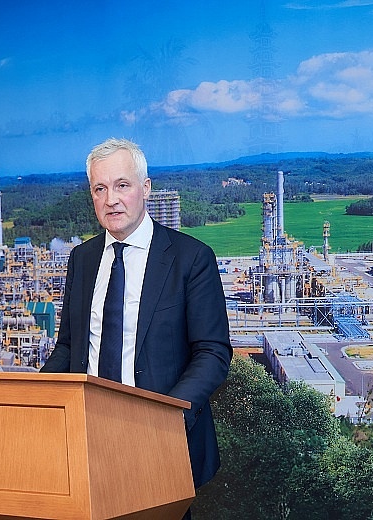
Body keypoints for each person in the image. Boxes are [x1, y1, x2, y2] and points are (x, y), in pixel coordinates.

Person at [40, 138, 232, 513]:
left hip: (162, 442)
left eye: (122, 185)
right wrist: (38, 397)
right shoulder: (81, 258)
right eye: (100, 189)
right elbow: (69, 346)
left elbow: (212, 353)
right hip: (87, 439)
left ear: (145, 188)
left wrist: (165, 418)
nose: (111, 199)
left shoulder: (191, 258)